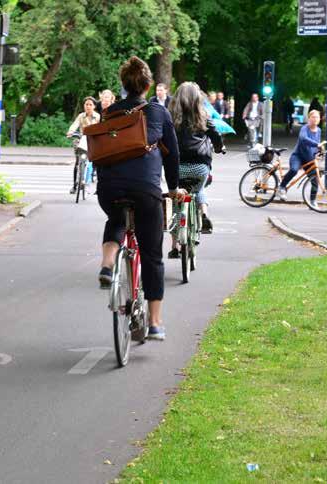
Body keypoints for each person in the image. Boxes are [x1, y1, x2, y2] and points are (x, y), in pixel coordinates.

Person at [97, 56, 184, 341]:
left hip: (109, 188)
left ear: (123, 85)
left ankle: (108, 265)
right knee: (152, 254)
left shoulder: (109, 113)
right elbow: (173, 157)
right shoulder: (158, 112)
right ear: (147, 86)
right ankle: (155, 322)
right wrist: (173, 187)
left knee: (116, 217)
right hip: (145, 189)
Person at [167, 82, 224, 256]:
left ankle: (175, 247)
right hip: (200, 167)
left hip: (176, 168)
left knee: (177, 198)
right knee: (199, 188)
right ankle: (204, 214)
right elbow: (215, 135)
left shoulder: (170, 117)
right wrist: (219, 147)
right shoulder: (203, 116)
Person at [278, 110, 322, 205]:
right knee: (294, 170)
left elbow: (317, 145)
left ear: (319, 119)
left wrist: (319, 152)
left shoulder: (319, 130)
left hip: (309, 158)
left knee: (314, 179)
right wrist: (316, 144)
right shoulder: (304, 128)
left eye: (317, 117)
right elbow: (303, 139)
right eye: (313, 117)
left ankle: (313, 201)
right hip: (298, 156)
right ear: (309, 118)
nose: (315, 119)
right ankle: (282, 187)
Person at [66, 96, 100, 194]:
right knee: (77, 162)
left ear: (94, 106)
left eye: (90, 104)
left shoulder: (97, 117)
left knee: (91, 162)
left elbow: (100, 127)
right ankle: (74, 185)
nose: (88, 106)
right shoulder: (81, 116)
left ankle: (87, 183)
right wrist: (71, 132)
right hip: (81, 140)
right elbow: (75, 124)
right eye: (86, 104)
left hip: (92, 141)